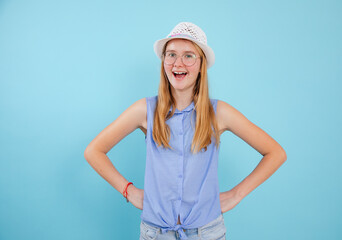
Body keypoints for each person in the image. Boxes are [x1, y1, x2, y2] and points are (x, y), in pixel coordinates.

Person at [84, 22, 287, 240]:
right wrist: (129, 191)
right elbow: (94, 151)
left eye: (189, 56)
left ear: (201, 65)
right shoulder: (145, 110)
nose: (178, 63)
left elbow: (275, 153)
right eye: (171, 55)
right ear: (163, 62)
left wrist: (236, 194)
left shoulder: (218, 113)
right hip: (155, 233)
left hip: (207, 233)